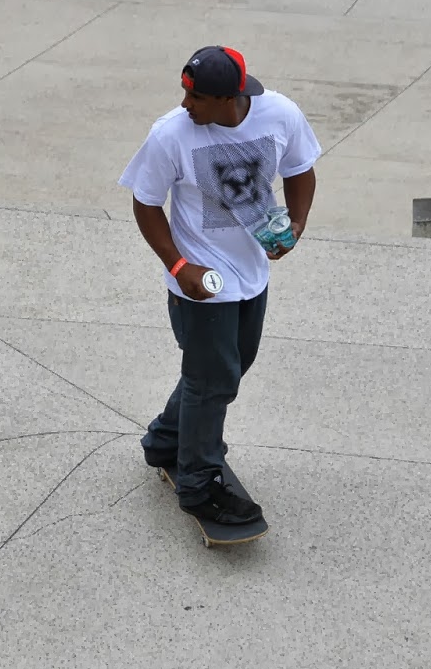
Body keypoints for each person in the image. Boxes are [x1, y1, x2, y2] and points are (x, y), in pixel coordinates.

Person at [117, 45, 321, 525]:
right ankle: (199, 483)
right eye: (184, 93)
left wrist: (298, 222)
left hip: (252, 271)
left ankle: (168, 438)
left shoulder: (280, 114)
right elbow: (146, 204)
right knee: (213, 379)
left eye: (198, 98)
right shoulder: (170, 134)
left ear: (230, 99)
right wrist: (177, 265)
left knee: (231, 366)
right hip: (200, 278)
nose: (186, 105)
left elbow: (300, 170)